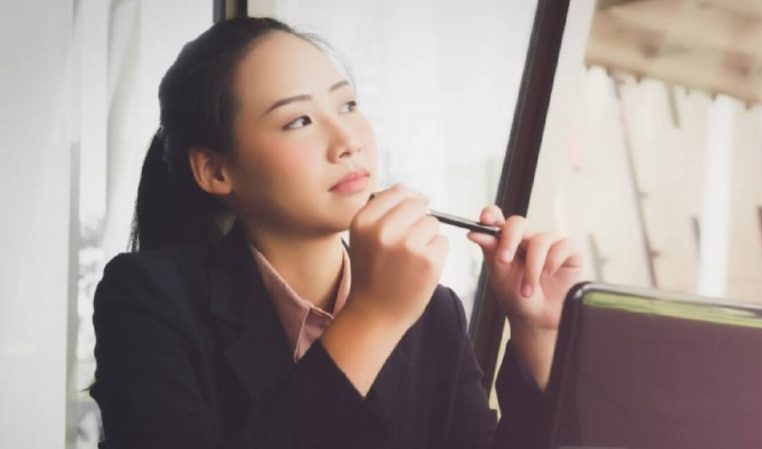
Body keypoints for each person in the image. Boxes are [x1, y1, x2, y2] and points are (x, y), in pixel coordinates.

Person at [90, 16, 582, 449]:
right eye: (298, 120)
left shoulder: (435, 314)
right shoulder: (148, 298)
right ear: (216, 171)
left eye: (347, 106)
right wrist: (372, 316)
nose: (348, 141)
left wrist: (539, 333)